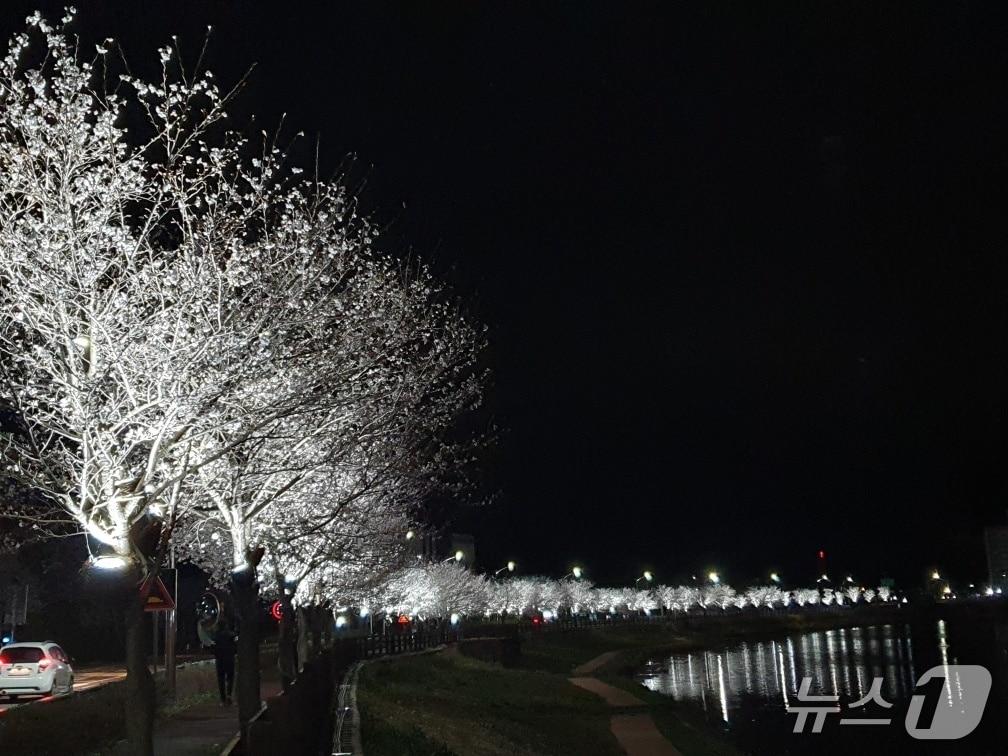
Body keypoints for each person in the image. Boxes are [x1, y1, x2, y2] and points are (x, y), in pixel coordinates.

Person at [212, 623, 237, 705]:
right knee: (230, 678)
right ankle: (229, 695)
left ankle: (223, 698)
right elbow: (235, 646)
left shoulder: (216, 636)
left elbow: (214, 648)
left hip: (220, 660)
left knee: (221, 679)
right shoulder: (231, 635)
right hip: (230, 659)